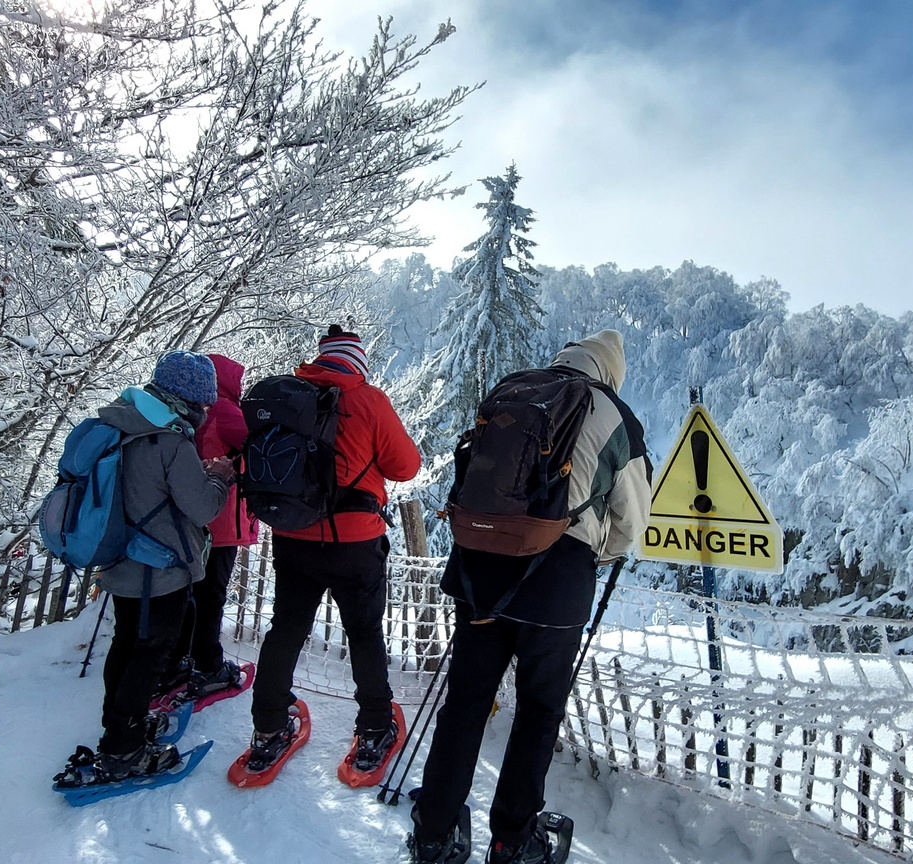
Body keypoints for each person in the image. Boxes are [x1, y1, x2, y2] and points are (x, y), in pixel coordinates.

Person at [407, 330, 651, 864]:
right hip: (556, 585)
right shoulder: (616, 416)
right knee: (538, 713)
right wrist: (597, 554)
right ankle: (514, 840)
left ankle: (432, 833)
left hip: (479, 571)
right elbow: (632, 521)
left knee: (466, 703)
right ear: (610, 370)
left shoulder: (514, 389)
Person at [244, 326, 421, 775]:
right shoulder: (369, 401)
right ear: (357, 364)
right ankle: (376, 726)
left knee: (285, 628)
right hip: (354, 542)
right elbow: (406, 466)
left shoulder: (288, 396)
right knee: (363, 633)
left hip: (292, 536)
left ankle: (268, 727)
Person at [54, 351, 236, 787]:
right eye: (204, 402)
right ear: (189, 399)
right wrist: (219, 478)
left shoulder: (120, 421)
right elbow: (201, 507)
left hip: (118, 556)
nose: (206, 410)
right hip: (160, 567)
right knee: (150, 653)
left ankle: (120, 728)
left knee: (126, 645)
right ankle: (123, 750)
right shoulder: (170, 440)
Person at [156, 352, 257, 703]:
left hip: (187, 517)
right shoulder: (226, 411)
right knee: (211, 594)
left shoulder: (182, 412)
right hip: (220, 517)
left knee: (188, 595)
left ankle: (174, 665)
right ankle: (208, 665)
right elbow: (256, 446)